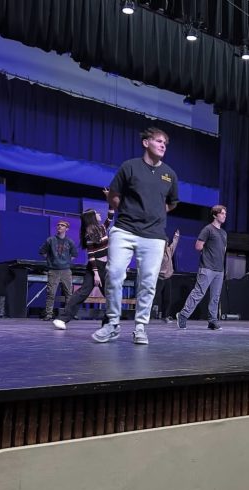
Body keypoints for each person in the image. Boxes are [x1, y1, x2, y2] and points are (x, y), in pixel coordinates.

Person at [92, 127, 179, 344]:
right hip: (125, 230)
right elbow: (113, 196)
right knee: (113, 274)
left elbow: (171, 203)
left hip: (154, 235)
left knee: (148, 282)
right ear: (146, 142)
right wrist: (130, 211)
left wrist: (154, 214)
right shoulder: (129, 166)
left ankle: (140, 327)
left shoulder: (169, 174)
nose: (162, 146)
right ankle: (112, 324)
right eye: (158, 141)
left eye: (165, 143)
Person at [52, 203, 115, 330]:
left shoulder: (102, 228)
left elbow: (110, 217)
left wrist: (110, 201)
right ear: (92, 217)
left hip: (105, 266)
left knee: (110, 296)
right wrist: (96, 273)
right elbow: (91, 255)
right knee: (83, 292)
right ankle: (62, 319)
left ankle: (107, 323)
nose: (99, 214)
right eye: (96, 213)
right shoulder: (89, 234)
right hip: (95, 267)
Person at [176, 205, 227, 330]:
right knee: (198, 293)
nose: (224, 215)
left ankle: (212, 321)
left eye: (225, 213)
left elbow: (223, 249)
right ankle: (183, 315)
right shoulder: (208, 229)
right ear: (215, 215)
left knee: (215, 297)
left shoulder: (224, 233)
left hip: (219, 269)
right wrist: (209, 252)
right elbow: (198, 246)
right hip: (207, 267)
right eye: (222, 213)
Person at [39, 220, 78, 320]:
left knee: (68, 293)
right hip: (53, 270)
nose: (59, 226)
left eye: (62, 225)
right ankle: (49, 314)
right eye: (58, 225)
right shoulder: (50, 240)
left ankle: (68, 314)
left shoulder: (70, 242)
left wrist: (66, 262)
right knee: (51, 293)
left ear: (67, 229)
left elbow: (74, 254)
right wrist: (51, 261)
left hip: (66, 270)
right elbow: (43, 252)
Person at [153, 229, 180, 323]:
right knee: (155, 297)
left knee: (167, 298)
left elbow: (174, 244)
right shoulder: (157, 253)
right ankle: (149, 314)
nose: (166, 244)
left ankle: (165, 316)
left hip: (167, 278)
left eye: (167, 242)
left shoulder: (169, 250)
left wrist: (176, 236)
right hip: (159, 278)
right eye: (165, 242)